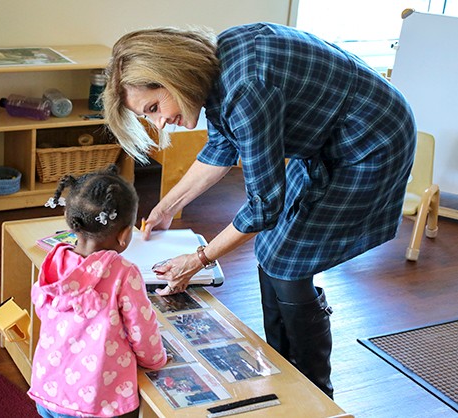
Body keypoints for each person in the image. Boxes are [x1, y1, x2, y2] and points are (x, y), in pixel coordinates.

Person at [102, 23, 416, 399]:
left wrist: (199, 259)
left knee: (286, 258)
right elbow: (222, 147)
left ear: (174, 75)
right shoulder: (217, 70)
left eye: (154, 107)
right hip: (330, 138)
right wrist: (167, 207)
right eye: (146, 116)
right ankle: (286, 371)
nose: (158, 122)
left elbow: (265, 205)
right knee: (274, 251)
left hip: (371, 140)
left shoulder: (245, 86)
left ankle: (315, 392)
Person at [28, 165, 167, 418]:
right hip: (97, 401)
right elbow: (141, 328)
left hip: (48, 389)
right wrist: (155, 360)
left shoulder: (54, 260)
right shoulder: (123, 272)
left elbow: (44, 311)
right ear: (125, 235)